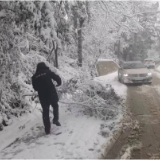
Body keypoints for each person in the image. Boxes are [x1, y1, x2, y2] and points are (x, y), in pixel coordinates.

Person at [32, 62, 62, 134]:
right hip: (51, 93)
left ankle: (47, 129)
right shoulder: (48, 72)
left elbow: (35, 88)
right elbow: (57, 78)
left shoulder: (34, 77)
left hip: (43, 96)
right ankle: (55, 119)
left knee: (45, 111)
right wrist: (58, 83)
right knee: (55, 105)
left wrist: (40, 88)